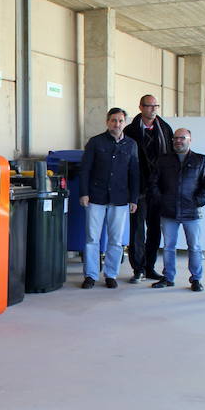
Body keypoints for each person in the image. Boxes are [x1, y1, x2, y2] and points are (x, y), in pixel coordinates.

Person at [147, 128, 205, 291]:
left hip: (192, 212)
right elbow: (153, 182)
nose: (178, 141)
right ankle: (168, 277)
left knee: (195, 247)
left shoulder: (201, 160)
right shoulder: (163, 160)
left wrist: (199, 199)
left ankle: (196, 279)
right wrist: (161, 199)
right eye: (175, 138)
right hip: (168, 211)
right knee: (169, 247)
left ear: (190, 140)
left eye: (182, 138)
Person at [79, 107, 139, 289]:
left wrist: (134, 199)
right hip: (96, 197)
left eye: (120, 121)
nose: (117, 124)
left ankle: (111, 275)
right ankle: (90, 275)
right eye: (113, 120)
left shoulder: (131, 145)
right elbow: (85, 170)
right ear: (107, 122)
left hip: (120, 199)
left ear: (125, 123)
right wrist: (84, 193)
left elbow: (134, 173)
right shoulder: (95, 142)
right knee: (92, 239)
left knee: (116, 240)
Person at [123, 94, 174, 283]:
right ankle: (138, 268)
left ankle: (150, 267)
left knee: (154, 229)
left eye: (156, 106)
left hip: (159, 188)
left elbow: (171, 157)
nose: (153, 109)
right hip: (139, 188)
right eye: (149, 106)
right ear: (141, 107)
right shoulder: (130, 131)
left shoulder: (165, 129)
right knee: (136, 229)